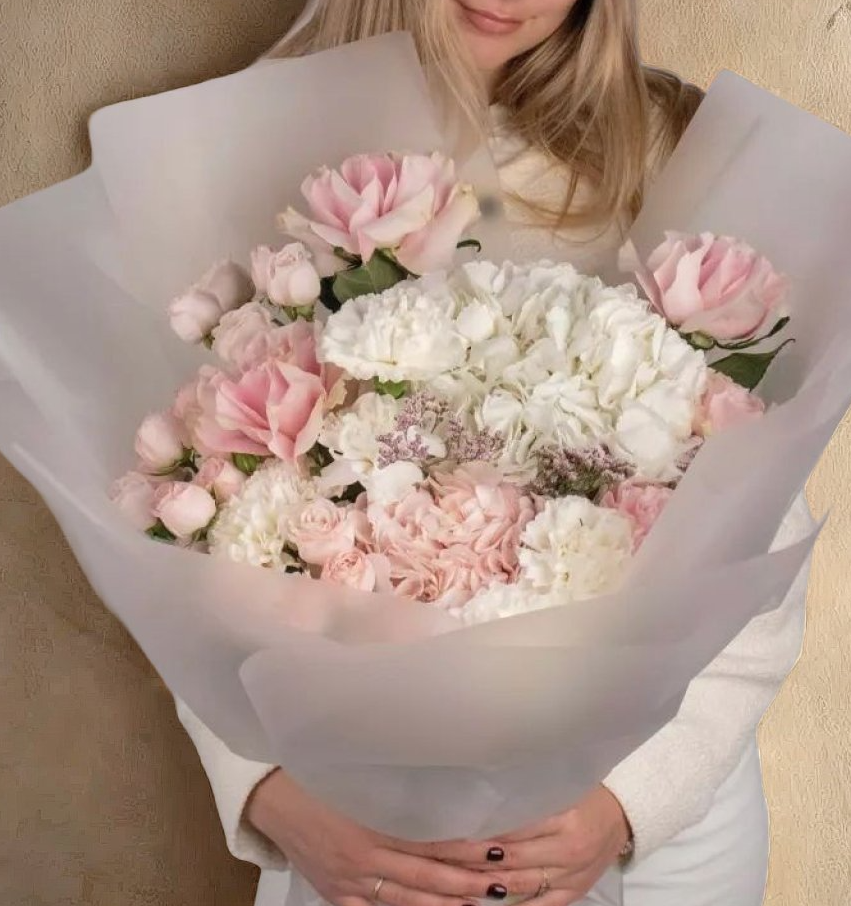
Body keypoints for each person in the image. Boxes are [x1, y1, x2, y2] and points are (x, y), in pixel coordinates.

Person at [176, 2, 818, 905]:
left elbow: (762, 518)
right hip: (365, 816)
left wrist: (631, 801)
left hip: (652, 820)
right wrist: (267, 791)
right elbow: (186, 510)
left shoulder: (674, 145)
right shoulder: (247, 144)